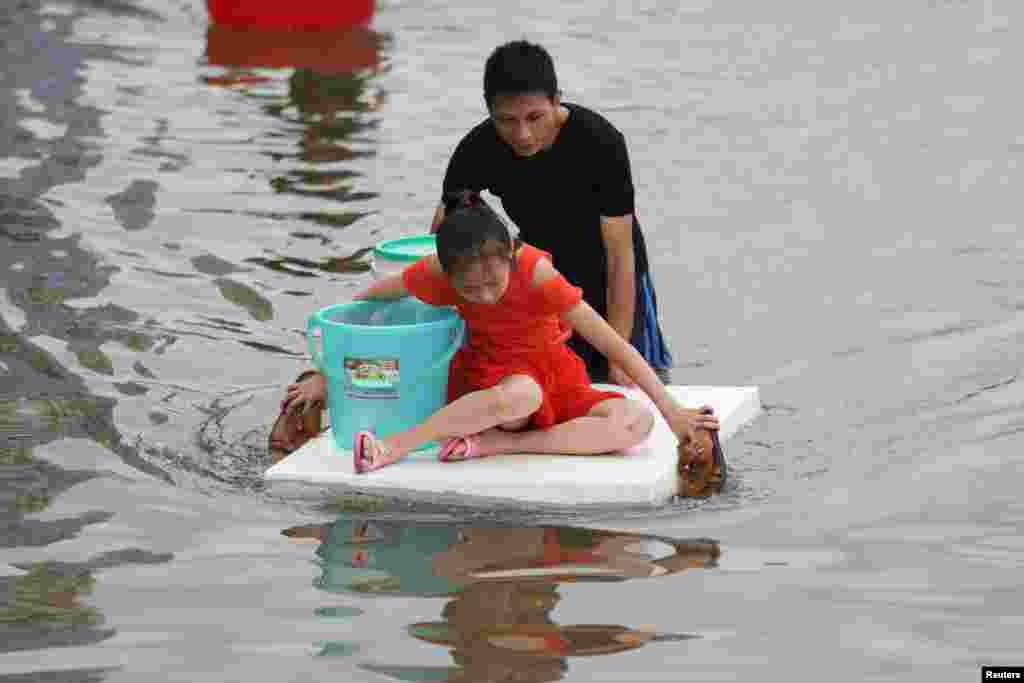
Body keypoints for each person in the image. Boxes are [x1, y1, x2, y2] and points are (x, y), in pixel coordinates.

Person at [342, 191, 716, 472]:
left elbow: (613, 343)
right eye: (470, 290)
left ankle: (497, 445)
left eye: (494, 282)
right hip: (497, 382)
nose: (485, 296)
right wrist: (329, 357)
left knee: (637, 423)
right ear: (448, 274)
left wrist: (672, 412)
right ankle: (394, 447)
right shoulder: (436, 271)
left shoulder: (537, 273)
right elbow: (372, 299)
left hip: (556, 375)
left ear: (510, 256)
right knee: (522, 396)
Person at [431, 40, 673, 386]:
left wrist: (620, 351)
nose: (522, 134)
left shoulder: (600, 142)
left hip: (614, 273)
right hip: (545, 275)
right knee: (556, 381)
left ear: (556, 101)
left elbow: (620, 253)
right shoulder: (477, 149)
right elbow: (444, 236)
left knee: (627, 378)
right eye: (506, 121)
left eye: (534, 117)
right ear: (489, 112)